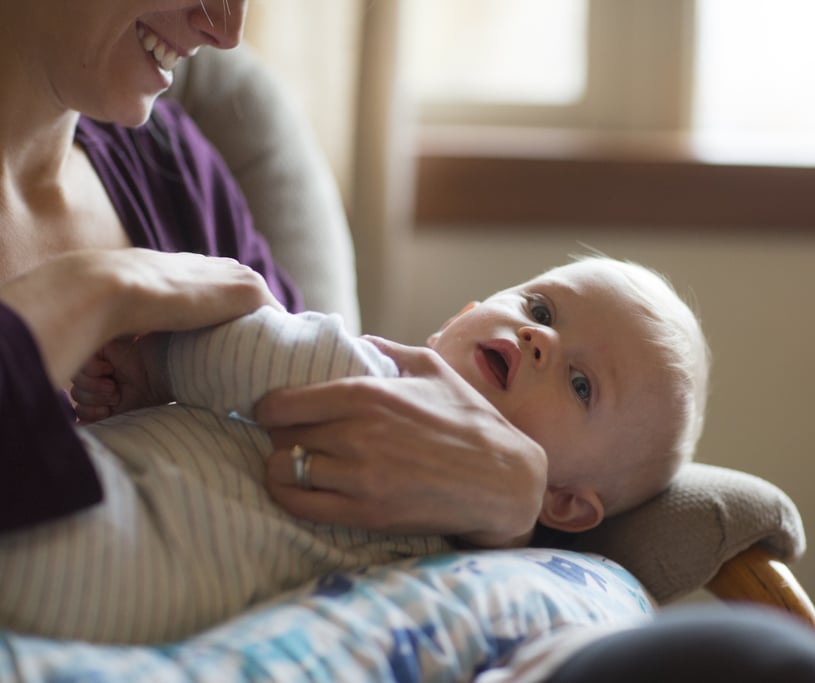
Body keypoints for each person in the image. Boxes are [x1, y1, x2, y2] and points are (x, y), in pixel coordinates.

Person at [0, 0, 545, 548]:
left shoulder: (175, 169)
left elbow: (330, 472)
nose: (226, 30)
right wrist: (98, 292)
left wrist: (514, 492)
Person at [0, 256, 707, 644]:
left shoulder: (375, 384)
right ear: (459, 318)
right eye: (541, 308)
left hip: (81, 531)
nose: (537, 337)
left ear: (566, 503)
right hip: (106, 613)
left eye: (582, 383)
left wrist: (161, 361)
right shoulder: (436, 571)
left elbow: (251, 350)